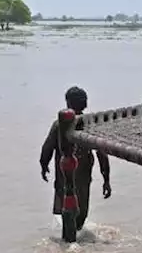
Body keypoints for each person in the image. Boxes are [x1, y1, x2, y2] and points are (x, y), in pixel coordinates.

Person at [40, 86, 111, 231]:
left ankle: (70, 243)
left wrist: (43, 165)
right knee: (82, 209)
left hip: (64, 176)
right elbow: (102, 153)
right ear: (85, 103)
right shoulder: (90, 123)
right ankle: (77, 237)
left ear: (68, 103)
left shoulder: (60, 124)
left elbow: (47, 147)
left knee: (66, 207)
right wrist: (106, 179)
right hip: (83, 175)